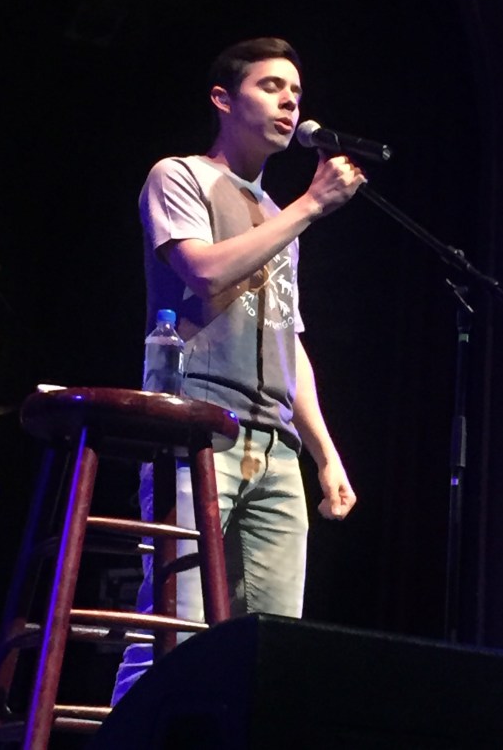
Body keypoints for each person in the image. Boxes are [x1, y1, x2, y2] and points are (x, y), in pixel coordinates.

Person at [111, 37, 365, 702]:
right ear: (224, 100)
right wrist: (312, 206)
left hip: (275, 446)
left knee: (270, 649)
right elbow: (202, 271)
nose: (289, 102)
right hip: (197, 426)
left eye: (296, 92)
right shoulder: (179, 176)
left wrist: (325, 454)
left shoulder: (279, 216)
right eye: (271, 86)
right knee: (174, 633)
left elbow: (288, 339)